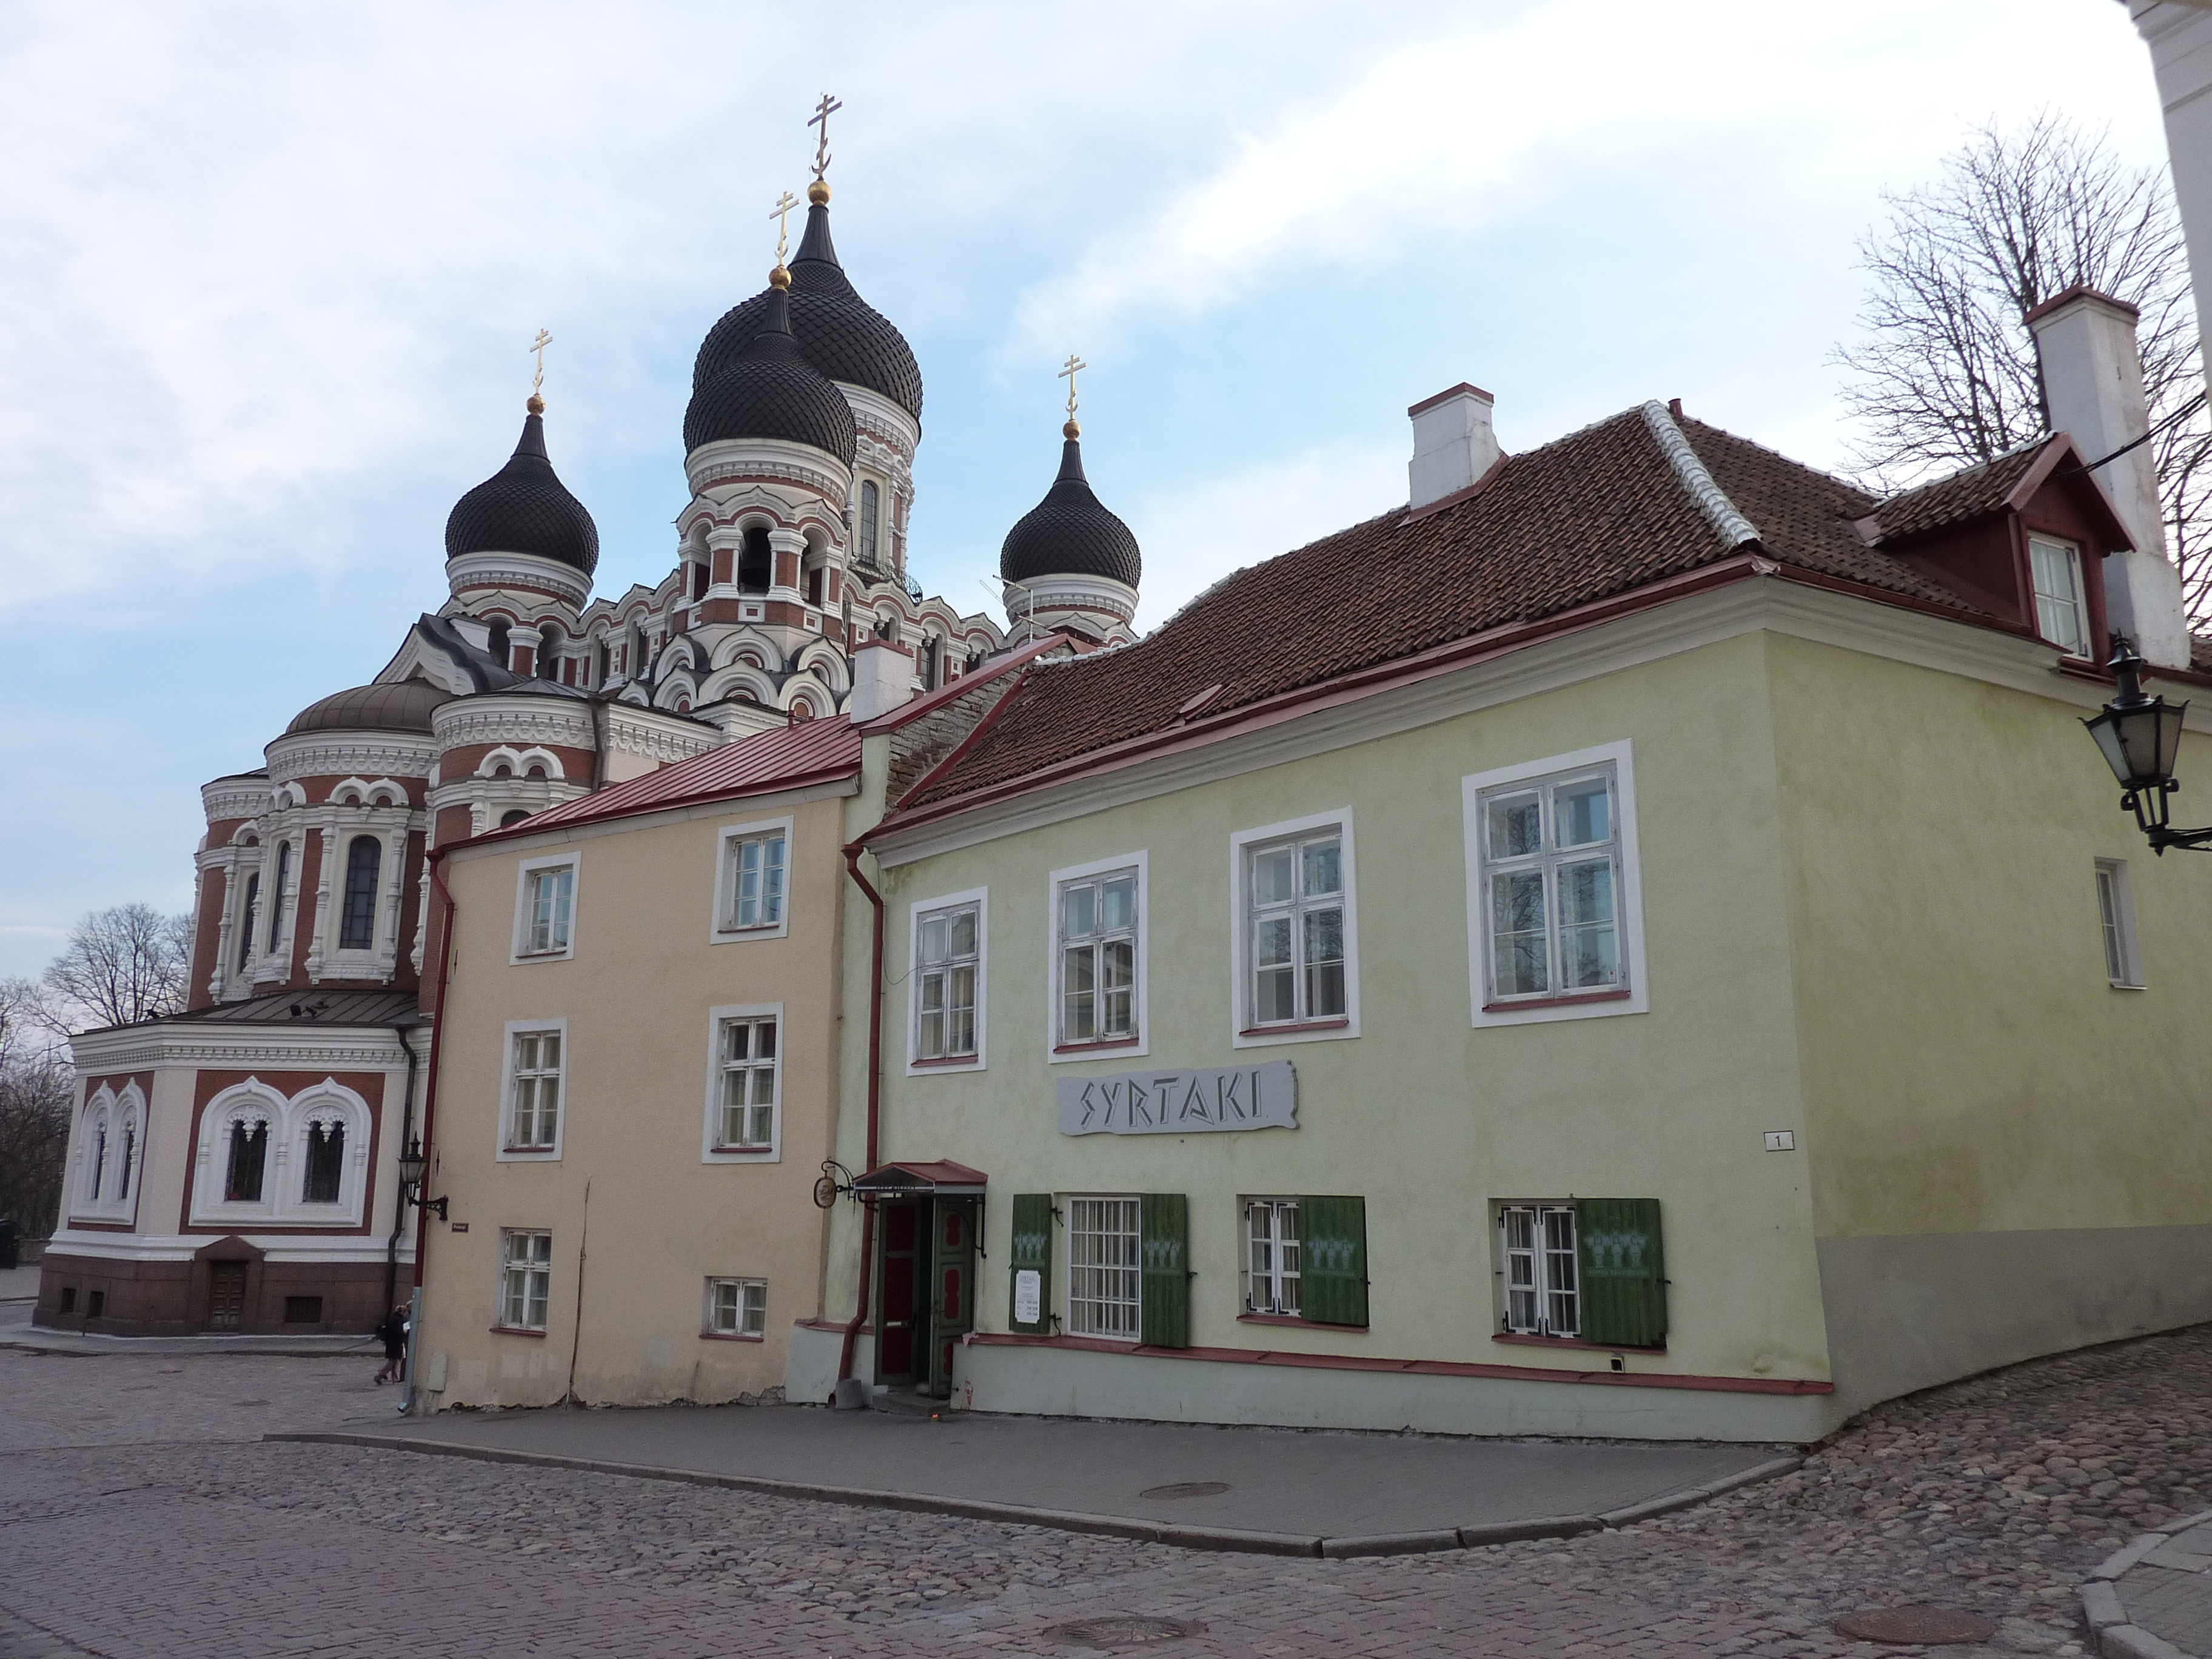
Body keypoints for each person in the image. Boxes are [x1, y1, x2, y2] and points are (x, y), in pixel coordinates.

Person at [372, 1303, 408, 1386]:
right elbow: (398, 1332)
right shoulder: (398, 1320)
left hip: (391, 1343)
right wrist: (404, 1332)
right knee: (393, 1361)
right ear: (403, 1312)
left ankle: (395, 1379)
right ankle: (379, 1375)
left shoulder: (392, 1318)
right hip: (396, 1344)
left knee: (395, 1361)